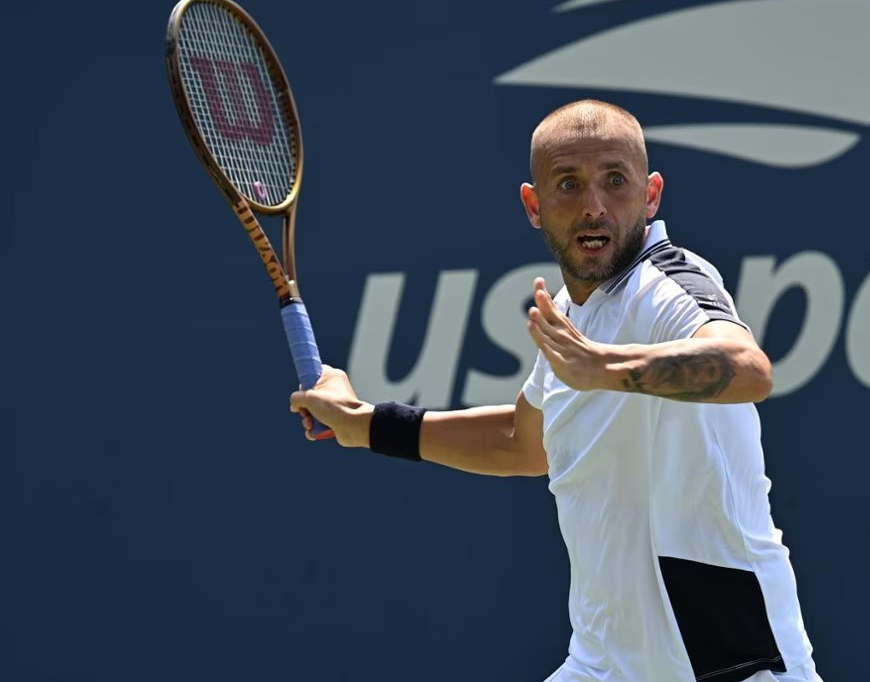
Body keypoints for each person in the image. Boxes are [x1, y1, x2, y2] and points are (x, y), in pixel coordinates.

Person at [290, 100, 823, 682]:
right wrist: (366, 423)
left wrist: (604, 368)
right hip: (605, 664)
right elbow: (522, 441)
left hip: (725, 662)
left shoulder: (668, 283)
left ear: (651, 195)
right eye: (568, 184)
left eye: (615, 181)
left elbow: (747, 367)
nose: (594, 206)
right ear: (534, 206)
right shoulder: (574, 314)